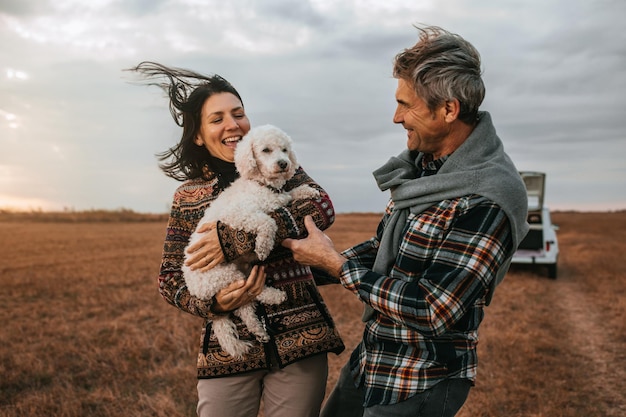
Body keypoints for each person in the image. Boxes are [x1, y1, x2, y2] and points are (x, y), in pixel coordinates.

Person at [282, 26, 529, 417]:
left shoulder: (489, 197)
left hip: (421, 379)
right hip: (374, 361)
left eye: (406, 105)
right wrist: (299, 265)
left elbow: (434, 309)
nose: (396, 117)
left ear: (448, 109)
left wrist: (336, 265)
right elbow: (387, 250)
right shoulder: (426, 172)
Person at [130, 61, 344, 417]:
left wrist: (230, 242)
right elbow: (169, 278)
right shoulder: (188, 196)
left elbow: (321, 209)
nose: (233, 125)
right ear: (198, 135)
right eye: (217, 119)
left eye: (239, 113)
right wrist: (213, 305)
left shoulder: (282, 168)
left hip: (301, 333)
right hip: (227, 349)